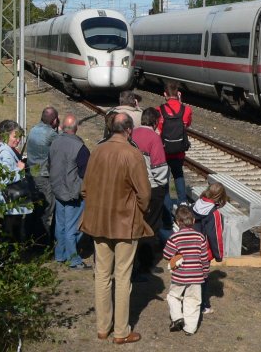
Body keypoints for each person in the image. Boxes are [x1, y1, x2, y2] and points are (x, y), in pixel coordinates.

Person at [80, 113, 152, 345]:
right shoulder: (133, 155)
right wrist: (138, 212)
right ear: (129, 130)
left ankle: (103, 327)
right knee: (122, 276)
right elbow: (145, 194)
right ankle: (121, 331)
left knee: (102, 274)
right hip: (125, 224)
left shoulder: (97, 151)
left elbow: (85, 189)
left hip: (98, 221)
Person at [48, 113, 91, 269]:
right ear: (76, 128)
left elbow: (50, 163)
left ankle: (60, 254)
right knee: (72, 228)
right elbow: (86, 173)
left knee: (60, 225)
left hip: (58, 190)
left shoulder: (54, 143)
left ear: (63, 127)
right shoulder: (80, 148)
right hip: (73, 193)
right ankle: (73, 259)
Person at [131, 106, 170, 268]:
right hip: (152, 188)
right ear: (155, 122)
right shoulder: (154, 139)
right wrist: (162, 185)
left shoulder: (131, 134)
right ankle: (146, 263)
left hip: (133, 187)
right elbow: (159, 168)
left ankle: (132, 258)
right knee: (151, 226)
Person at [162, 205, 210, 336]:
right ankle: (190, 328)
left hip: (180, 275)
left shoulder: (174, 238)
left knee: (173, 296)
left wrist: (176, 256)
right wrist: (205, 272)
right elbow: (204, 258)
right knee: (193, 300)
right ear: (193, 221)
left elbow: (166, 254)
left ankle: (177, 317)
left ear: (177, 222)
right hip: (196, 275)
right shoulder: (200, 237)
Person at [0, 120, 31, 242]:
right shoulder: (6, 153)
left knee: (5, 231)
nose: (18, 140)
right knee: (9, 232)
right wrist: (19, 169)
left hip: (2, 199)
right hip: (7, 200)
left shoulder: (3, 149)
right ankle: (6, 258)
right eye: (15, 136)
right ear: (6, 135)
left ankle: (3, 257)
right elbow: (6, 177)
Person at [192, 182, 227, 314]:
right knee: (203, 279)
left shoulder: (195, 205)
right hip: (203, 251)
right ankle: (203, 305)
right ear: (220, 197)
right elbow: (215, 236)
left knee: (189, 275)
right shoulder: (214, 213)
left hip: (189, 246)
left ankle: (187, 299)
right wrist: (218, 255)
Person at [26, 106, 59, 244]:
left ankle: (29, 237)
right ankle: (42, 242)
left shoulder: (33, 130)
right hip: (44, 175)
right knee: (46, 210)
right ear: (55, 120)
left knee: (34, 209)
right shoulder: (51, 134)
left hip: (32, 172)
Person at [158, 80, 193, 212]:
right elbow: (187, 124)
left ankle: (167, 206)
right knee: (178, 174)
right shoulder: (187, 110)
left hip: (164, 150)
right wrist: (180, 102)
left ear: (164, 94)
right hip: (179, 151)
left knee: (164, 177)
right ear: (178, 94)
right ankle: (183, 202)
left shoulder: (159, 110)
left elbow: (159, 129)